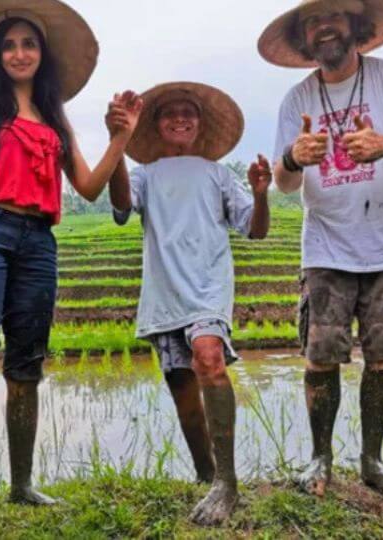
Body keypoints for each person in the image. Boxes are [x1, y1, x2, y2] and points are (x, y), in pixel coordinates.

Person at [0, 0, 138, 535]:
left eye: (29, 44)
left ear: (42, 54)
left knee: (27, 366)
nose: (20, 53)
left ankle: (21, 485)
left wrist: (121, 138)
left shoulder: (55, 116)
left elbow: (88, 187)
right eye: (10, 44)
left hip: (38, 241)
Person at [259, 0, 383, 499]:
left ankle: (372, 460)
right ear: (303, 37)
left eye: (335, 15)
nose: (325, 27)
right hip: (325, 248)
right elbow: (285, 186)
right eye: (313, 21)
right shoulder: (296, 98)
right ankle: (320, 459)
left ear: (356, 26)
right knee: (321, 358)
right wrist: (292, 157)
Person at [107, 81, 270, 525]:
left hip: (208, 287)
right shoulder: (145, 174)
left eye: (189, 112)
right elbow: (122, 204)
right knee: (182, 390)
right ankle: (206, 475)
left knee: (208, 357)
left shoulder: (217, 173)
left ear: (200, 124)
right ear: (156, 126)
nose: (180, 118)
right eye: (170, 113)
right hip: (165, 292)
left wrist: (259, 195)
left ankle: (228, 482)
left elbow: (255, 230)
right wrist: (116, 142)